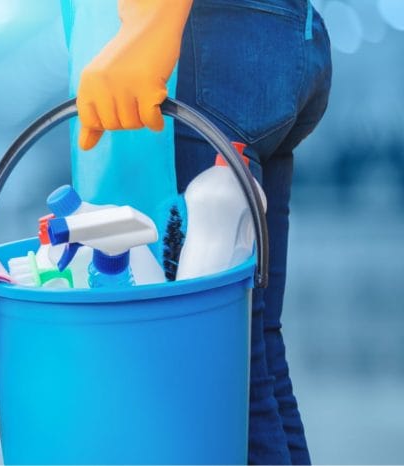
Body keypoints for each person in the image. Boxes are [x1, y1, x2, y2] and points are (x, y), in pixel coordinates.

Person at [73, 0, 331, 463]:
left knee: (202, 384)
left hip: (204, 52)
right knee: (252, 371)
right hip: (277, 37)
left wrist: (149, 25)